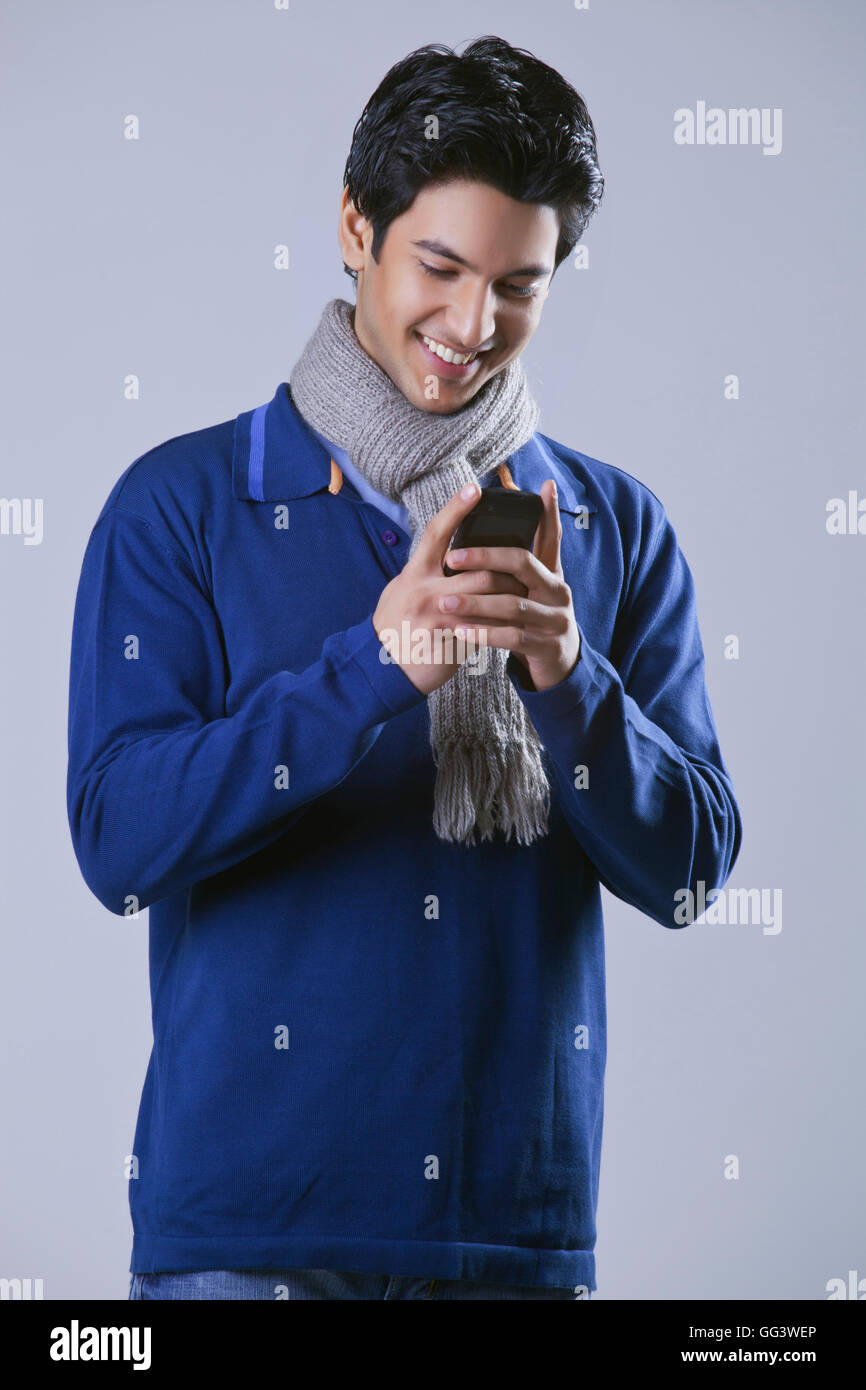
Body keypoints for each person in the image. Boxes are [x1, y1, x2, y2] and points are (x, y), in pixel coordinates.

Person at [66, 35, 742, 1302]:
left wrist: (565, 678)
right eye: (439, 265)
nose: (472, 327)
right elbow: (115, 838)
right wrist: (374, 667)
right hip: (246, 1242)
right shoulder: (182, 503)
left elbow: (694, 871)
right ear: (352, 228)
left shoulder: (607, 526)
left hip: (515, 1240)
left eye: (519, 286)